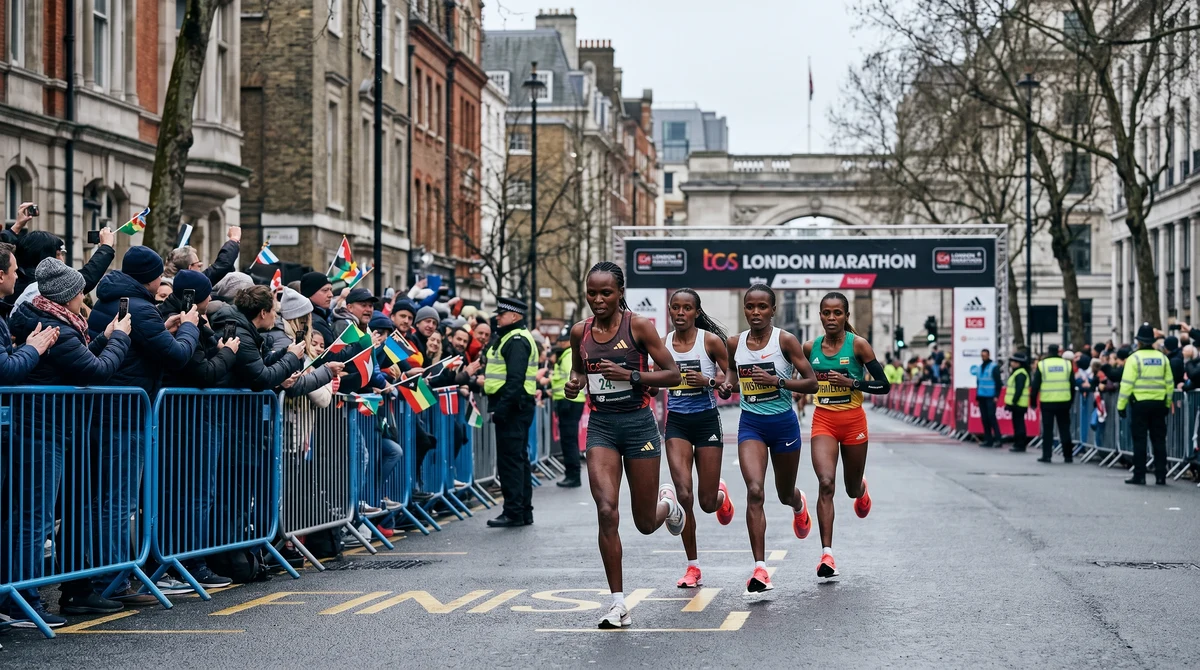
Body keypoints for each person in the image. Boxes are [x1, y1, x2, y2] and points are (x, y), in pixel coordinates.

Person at [7, 258, 132, 621]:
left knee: (46, 515)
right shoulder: (53, 327)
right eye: (80, 291)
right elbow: (98, 371)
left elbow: (79, 360)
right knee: (35, 519)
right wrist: (121, 339)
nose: (84, 297)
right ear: (68, 296)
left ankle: (65, 591)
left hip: (57, 429)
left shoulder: (55, 322)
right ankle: (22, 600)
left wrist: (105, 337)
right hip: (43, 430)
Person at [563, 262, 684, 629]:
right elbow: (578, 373)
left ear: (620, 292)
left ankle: (668, 505)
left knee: (646, 523)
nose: (598, 300)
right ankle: (618, 604)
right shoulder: (579, 332)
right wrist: (573, 385)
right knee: (605, 510)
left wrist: (631, 374)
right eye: (592, 293)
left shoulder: (639, 327)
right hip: (601, 426)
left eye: (606, 293)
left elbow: (673, 375)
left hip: (638, 426)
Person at [721, 284, 817, 594]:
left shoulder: (785, 341)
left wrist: (778, 381)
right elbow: (733, 382)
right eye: (750, 306)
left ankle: (798, 503)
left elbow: (812, 383)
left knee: (783, 492)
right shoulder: (734, 343)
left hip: (784, 425)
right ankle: (760, 569)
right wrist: (725, 386)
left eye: (763, 307)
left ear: (773, 310)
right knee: (754, 490)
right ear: (745, 309)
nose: (756, 312)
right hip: (752, 425)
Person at [804, 292, 891, 580]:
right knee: (826, 483)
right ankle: (826, 554)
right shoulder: (809, 348)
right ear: (820, 316)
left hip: (854, 422)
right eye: (826, 313)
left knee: (850, 489)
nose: (831, 318)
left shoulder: (859, 346)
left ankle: (861, 490)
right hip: (823, 422)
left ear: (846, 316)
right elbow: (798, 376)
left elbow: (884, 385)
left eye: (837, 313)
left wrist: (853, 382)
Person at [662, 288, 735, 588]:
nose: (680, 313)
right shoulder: (663, 343)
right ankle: (692, 567)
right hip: (677, 422)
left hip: (706, 421)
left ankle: (721, 496)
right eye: (675, 308)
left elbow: (731, 377)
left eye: (687, 308)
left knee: (705, 502)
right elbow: (656, 375)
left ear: (696, 312)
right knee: (684, 495)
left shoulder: (710, 341)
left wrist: (710, 381)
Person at [482, 297, 540, 528]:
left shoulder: (515, 340)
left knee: (510, 462)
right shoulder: (512, 337)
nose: (497, 317)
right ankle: (523, 510)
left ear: (514, 316)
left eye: (501, 314)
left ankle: (514, 511)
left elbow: (514, 380)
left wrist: (502, 410)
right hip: (517, 407)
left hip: (513, 408)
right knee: (518, 460)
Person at [208, 285, 306, 391]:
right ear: (263, 313)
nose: (276, 316)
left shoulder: (248, 330)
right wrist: (292, 356)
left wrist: (286, 352)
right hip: (225, 404)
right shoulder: (241, 336)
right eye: (273, 310)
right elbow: (261, 379)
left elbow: (264, 360)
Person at [1118, 323, 1173, 486]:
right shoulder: (1163, 358)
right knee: (1159, 441)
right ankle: (1161, 476)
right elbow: (1169, 383)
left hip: (1140, 405)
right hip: (1158, 404)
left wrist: (1121, 406)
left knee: (1140, 440)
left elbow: (1126, 384)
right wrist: (1167, 403)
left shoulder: (1133, 359)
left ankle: (1139, 475)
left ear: (1139, 341)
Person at [550, 333, 585, 488]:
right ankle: (572, 474)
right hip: (570, 402)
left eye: (559, 341)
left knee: (569, 441)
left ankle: (573, 476)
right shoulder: (567, 355)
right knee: (570, 440)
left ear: (565, 342)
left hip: (569, 402)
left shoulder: (567, 356)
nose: (557, 344)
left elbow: (571, 380)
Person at [1031, 344, 1075, 464]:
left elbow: (1035, 385)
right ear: (1059, 351)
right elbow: (1072, 384)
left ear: (1048, 351)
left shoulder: (1043, 365)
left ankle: (1047, 455)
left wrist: (1033, 401)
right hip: (1064, 401)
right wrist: (1071, 400)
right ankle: (1068, 456)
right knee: (1065, 429)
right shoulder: (1066, 364)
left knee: (1048, 430)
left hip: (1047, 402)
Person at [163, 225, 241, 285]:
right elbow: (222, 266)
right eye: (198, 263)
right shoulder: (191, 285)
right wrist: (234, 239)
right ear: (190, 268)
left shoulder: (168, 283)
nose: (201, 264)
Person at [974, 349, 1002, 447]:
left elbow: (998, 383)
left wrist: (996, 396)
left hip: (990, 396)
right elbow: (978, 383)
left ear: (989, 355)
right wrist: (977, 397)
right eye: (982, 355)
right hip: (982, 396)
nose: (983, 357)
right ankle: (988, 439)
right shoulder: (980, 367)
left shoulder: (993, 367)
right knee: (984, 419)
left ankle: (998, 439)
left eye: (985, 355)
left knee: (991, 418)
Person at [1005, 352, 1031, 452]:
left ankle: (1020, 444)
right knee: (1017, 424)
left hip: (1018, 403)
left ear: (1018, 363)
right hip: (1018, 403)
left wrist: (1013, 401)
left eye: (1014, 361)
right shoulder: (1018, 372)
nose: (1012, 363)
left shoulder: (1020, 374)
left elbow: (1018, 390)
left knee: (1019, 425)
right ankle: (1018, 443)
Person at [300, 271, 336, 344]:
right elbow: (332, 353)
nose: (330, 295)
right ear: (310, 293)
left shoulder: (322, 316)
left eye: (331, 290)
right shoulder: (314, 321)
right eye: (325, 290)